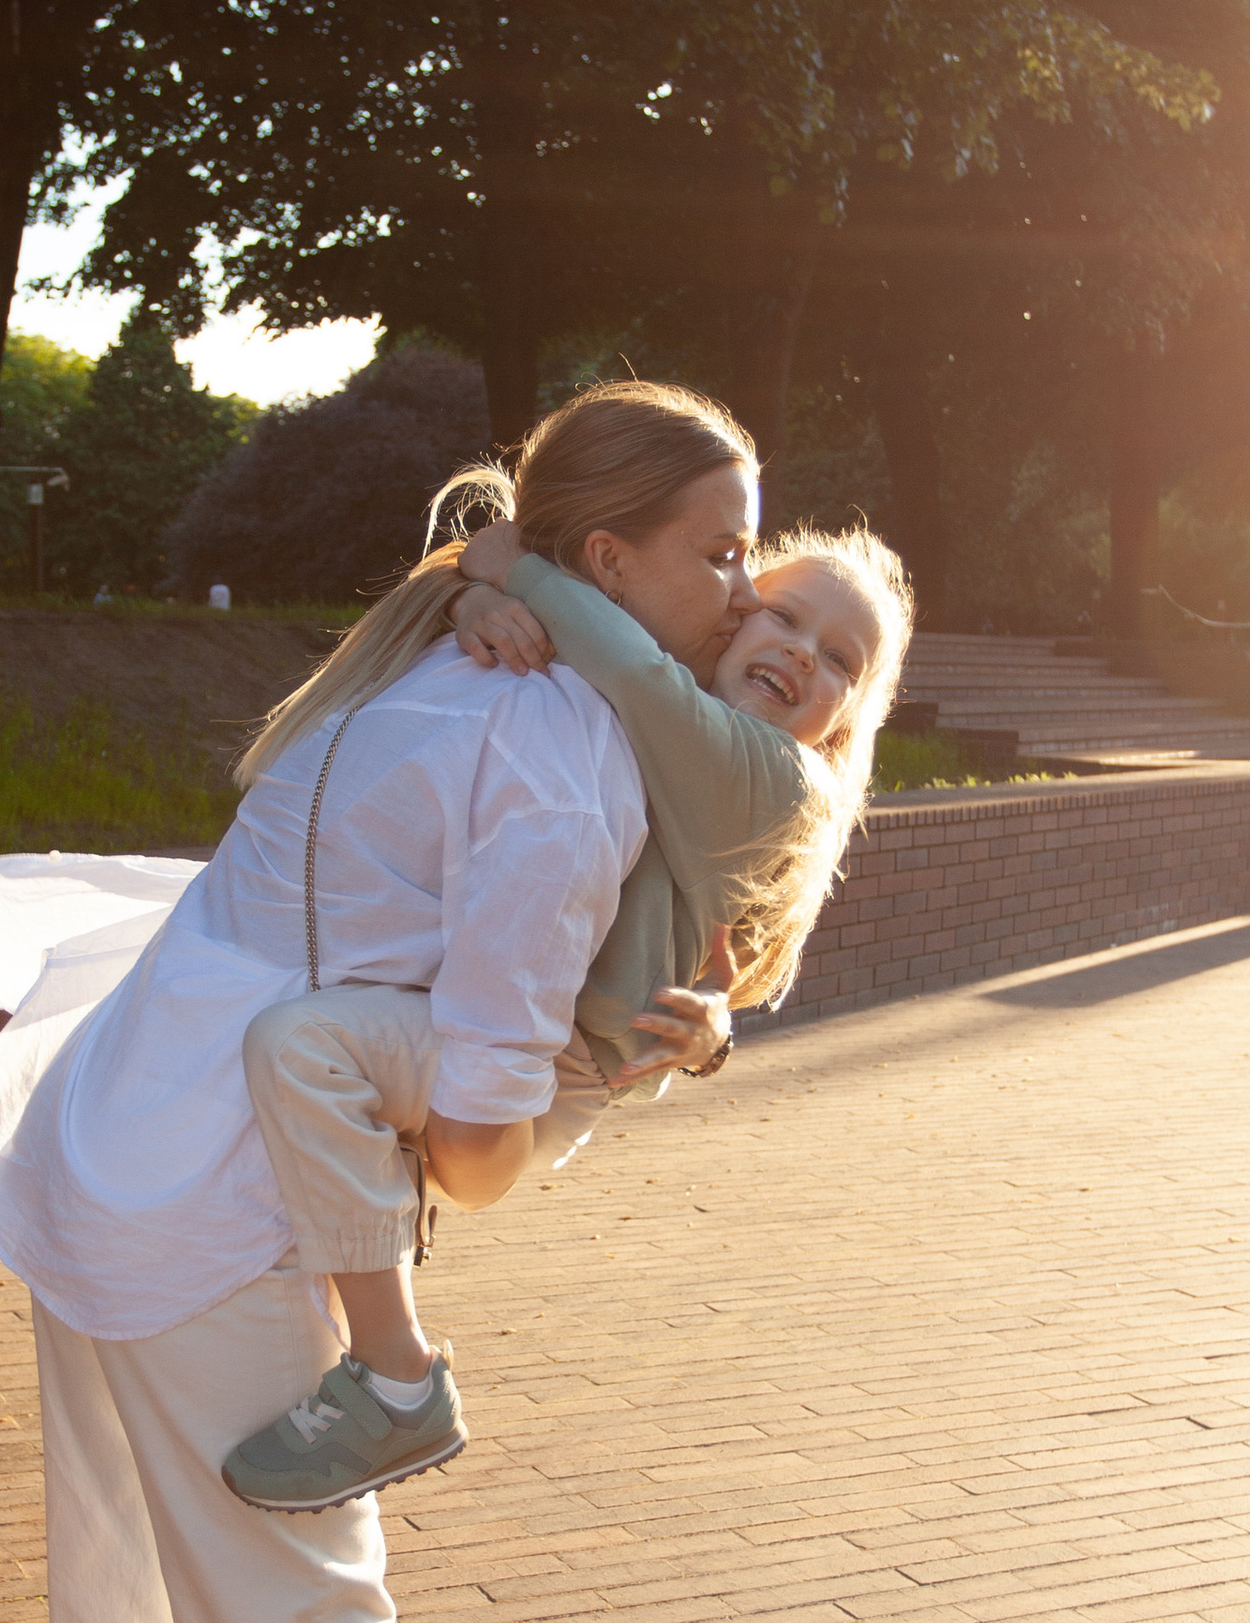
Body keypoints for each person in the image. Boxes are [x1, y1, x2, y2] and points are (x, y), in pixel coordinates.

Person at [0, 380, 764, 1623]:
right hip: (215, 1207)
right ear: (608, 557)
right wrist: (612, 1070)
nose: (745, 583)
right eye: (717, 549)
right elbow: (473, 1150)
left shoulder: (446, 656)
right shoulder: (565, 762)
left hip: (113, 1136)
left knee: (209, 1614)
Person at [220, 514, 911, 1512]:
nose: (803, 654)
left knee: (304, 1048)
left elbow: (635, 673)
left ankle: (395, 1378)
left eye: (839, 660)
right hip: (508, 1034)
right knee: (320, 1070)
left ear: (841, 720)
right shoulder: (656, 720)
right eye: (784, 616)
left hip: (558, 1076)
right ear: (729, 621)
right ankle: (360, 1312)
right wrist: (474, 599)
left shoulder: (771, 774)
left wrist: (519, 570)